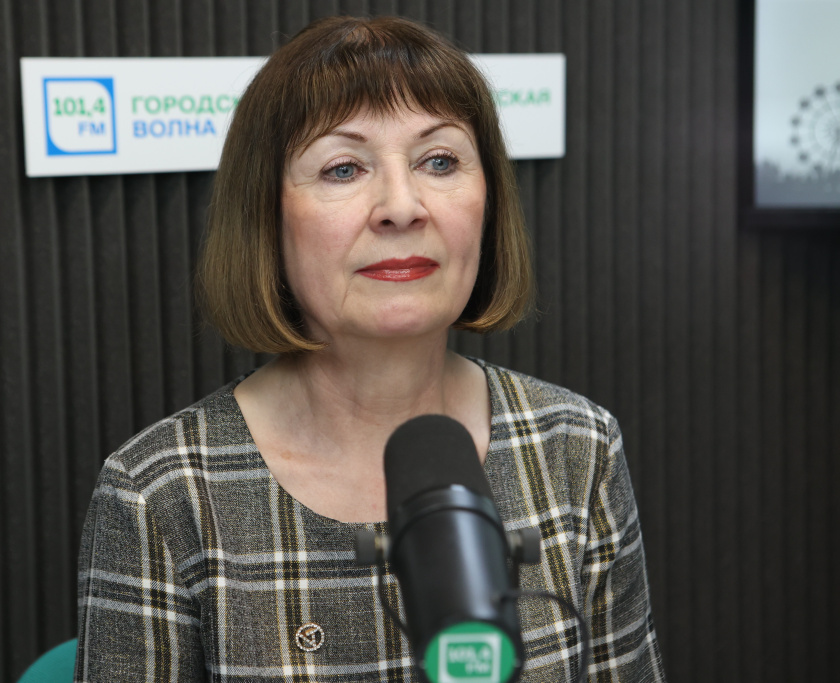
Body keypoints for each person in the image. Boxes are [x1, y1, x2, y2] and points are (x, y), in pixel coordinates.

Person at [75, 15, 665, 683]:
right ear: (265, 217)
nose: (402, 206)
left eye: (439, 161)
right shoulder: (162, 492)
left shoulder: (577, 448)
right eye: (343, 168)